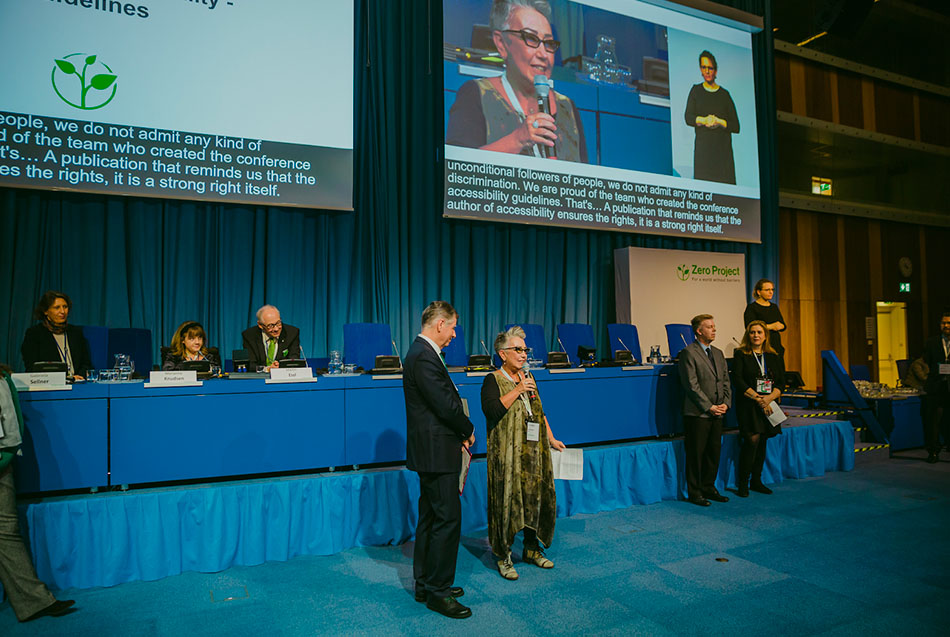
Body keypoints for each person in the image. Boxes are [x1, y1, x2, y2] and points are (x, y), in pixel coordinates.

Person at [446, 0, 589, 163]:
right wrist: (518, 140)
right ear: (501, 43)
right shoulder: (476, 94)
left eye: (548, 43)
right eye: (531, 38)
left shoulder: (567, 107)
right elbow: (456, 170)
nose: (543, 54)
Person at [403, 301, 476, 619]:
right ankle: (438, 592)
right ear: (440, 324)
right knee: (446, 520)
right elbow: (445, 406)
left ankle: (426, 583)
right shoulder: (424, 356)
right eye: (453, 327)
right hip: (437, 452)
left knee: (431, 518)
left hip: (431, 452)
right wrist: (468, 428)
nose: (455, 334)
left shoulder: (422, 354)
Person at [481, 326, 565, 580]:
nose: (523, 354)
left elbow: (539, 410)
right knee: (507, 503)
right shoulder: (492, 380)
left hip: (532, 452)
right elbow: (492, 412)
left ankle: (531, 548)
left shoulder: (529, 377)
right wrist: (516, 390)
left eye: (525, 349)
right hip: (506, 455)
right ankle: (503, 556)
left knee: (533, 499)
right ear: (502, 353)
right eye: (517, 349)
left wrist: (550, 437)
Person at [1, 364, 76, 622]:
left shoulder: (3, 378)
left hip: (3, 462)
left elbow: (13, 422)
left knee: (6, 531)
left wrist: (6, 457)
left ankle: (35, 601)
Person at [678, 314, 731, 506]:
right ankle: (695, 492)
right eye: (709, 327)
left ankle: (709, 487)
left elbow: (725, 381)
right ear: (699, 331)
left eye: (714, 326)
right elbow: (691, 385)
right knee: (696, 454)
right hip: (698, 414)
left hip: (718, 413)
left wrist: (726, 403)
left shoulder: (718, 353)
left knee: (713, 453)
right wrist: (709, 407)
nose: (714, 330)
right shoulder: (688, 353)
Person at [731, 320, 785, 497]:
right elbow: (738, 380)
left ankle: (756, 481)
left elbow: (781, 382)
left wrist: (768, 399)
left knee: (762, 441)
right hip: (748, 404)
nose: (756, 335)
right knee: (751, 441)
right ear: (748, 335)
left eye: (759, 332)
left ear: (765, 336)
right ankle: (742, 484)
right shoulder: (741, 354)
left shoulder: (773, 355)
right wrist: (758, 399)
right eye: (753, 332)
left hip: (768, 404)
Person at [684, 50, 739, 184]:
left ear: (715, 70)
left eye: (710, 68)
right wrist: (704, 120)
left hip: (723, 156)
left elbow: (736, 126)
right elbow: (688, 117)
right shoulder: (696, 90)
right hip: (704, 155)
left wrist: (719, 122)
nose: (707, 71)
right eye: (704, 67)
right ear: (700, 69)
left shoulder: (724, 95)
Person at [20, 290, 92, 380]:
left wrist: (78, 377)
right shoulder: (34, 334)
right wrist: (64, 379)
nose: (62, 311)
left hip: (78, 383)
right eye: (57, 307)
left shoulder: (75, 332)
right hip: (49, 386)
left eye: (65, 307)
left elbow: (86, 364)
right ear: (46, 311)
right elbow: (33, 368)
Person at [920, 310, 950, 463]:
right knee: (933, 421)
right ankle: (933, 452)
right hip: (936, 386)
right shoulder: (931, 342)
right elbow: (928, 360)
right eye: (943, 323)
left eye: (949, 323)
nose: (946, 325)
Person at [241, 305, 301, 370]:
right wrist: (267, 369)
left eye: (278, 323)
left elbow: (294, 361)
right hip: (259, 378)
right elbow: (250, 364)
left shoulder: (292, 333)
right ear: (260, 325)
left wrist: (280, 367)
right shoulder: (249, 335)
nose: (276, 329)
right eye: (270, 326)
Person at [744, 278, 786, 358]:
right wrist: (772, 326)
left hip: (776, 346)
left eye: (772, 290)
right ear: (759, 292)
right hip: (760, 347)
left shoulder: (774, 307)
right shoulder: (752, 308)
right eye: (767, 290)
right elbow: (749, 326)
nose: (771, 292)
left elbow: (783, 325)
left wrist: (780, 326)